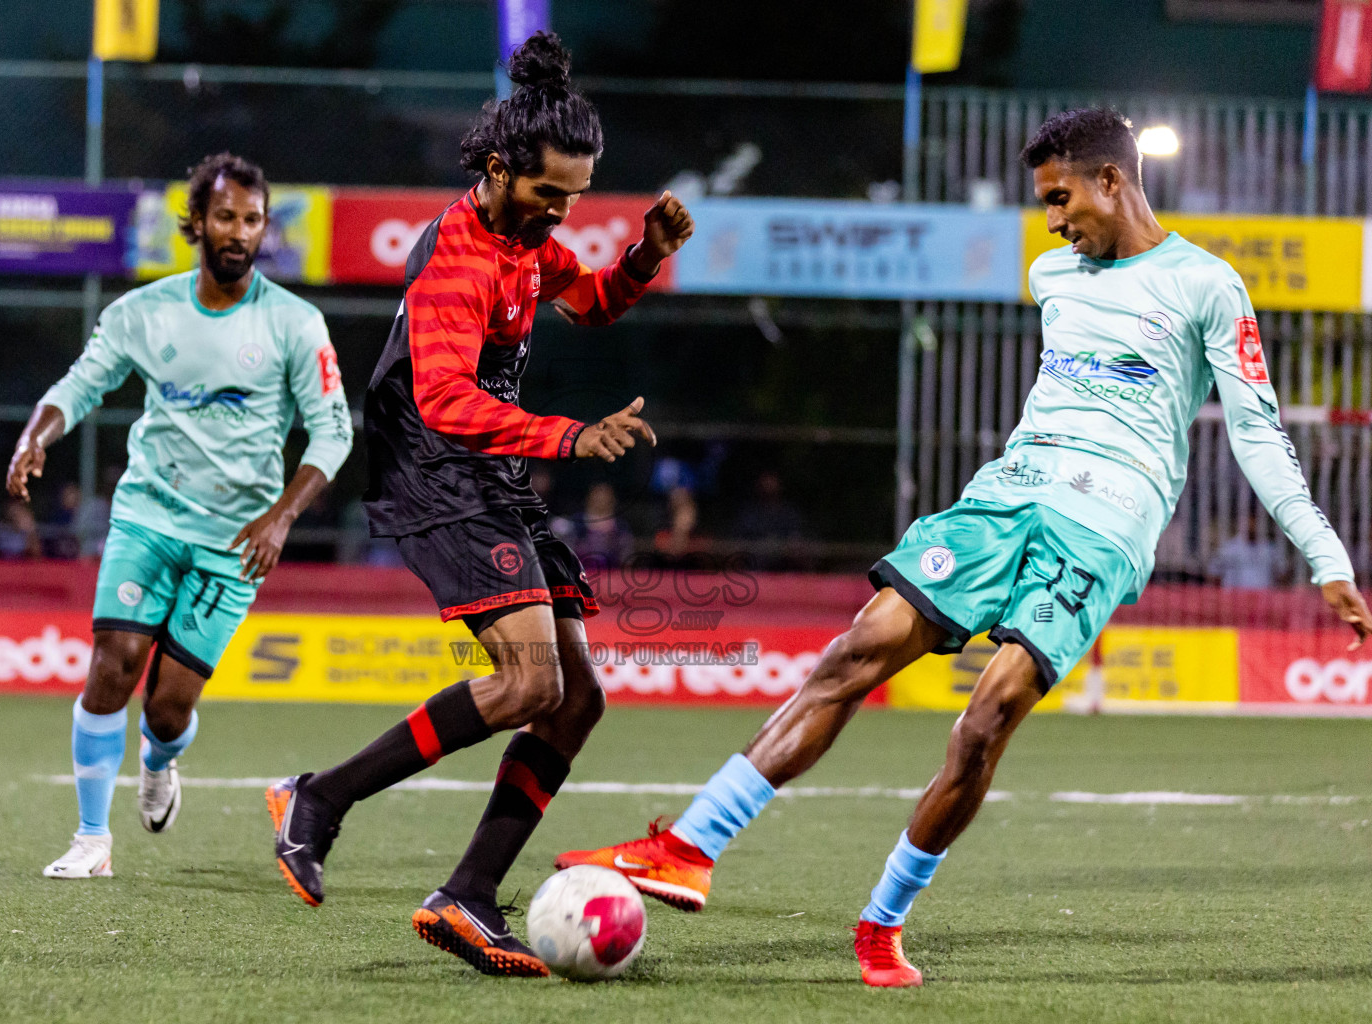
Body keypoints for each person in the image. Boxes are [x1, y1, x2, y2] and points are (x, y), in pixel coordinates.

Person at [556, 108, 1371, 987]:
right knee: (857, 649)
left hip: (1104, 529)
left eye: (1061, 199)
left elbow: (1257, 431)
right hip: (1005, 498)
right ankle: (689, 845)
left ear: (1113, 179)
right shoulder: (1053, 274)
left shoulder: (1207, 285)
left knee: (985, 720)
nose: (1054, 221)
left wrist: (1324, 556)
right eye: (1044, 205)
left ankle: (881, 922)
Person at [265, 31, 693, 979]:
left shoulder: (528, 238)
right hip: (433, 468)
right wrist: (570, 436)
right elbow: (447, 401)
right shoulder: (458, 256)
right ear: (500, 170)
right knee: (533, 684)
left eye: (576, 196)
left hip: (483, 469)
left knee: (577, 701)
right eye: (550, 193)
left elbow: (588, 304)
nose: (563, 210)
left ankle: (465, 895)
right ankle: (320, 801)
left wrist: (642, 256)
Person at [8, 153, 352, 881]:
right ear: (196, 223)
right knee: (113, 665)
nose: (238, 231)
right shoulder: (143, 312)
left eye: (252, 220)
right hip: (148, 517)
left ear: (265, 230)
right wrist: (34, 436)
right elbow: (82, 383)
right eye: (225, 217)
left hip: (236, 541)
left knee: (165, 710)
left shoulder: (296, 324)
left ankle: (161, 762)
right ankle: (91, 840)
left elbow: (333, 432)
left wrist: (282, 517)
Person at [554, 481, 634, 569]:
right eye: (597, 494)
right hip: (581, 575)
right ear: (589, 498)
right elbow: (564, 555)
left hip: (613, 577)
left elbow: (627, 557)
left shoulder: (620, 527)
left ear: (613, 499)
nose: (601, 499)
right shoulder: (575, 524)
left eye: (605, 495)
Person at [1207, 511, 1285, 589]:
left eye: (1254, 521)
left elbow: (1282, 574)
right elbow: (1214, 575)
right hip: (1234, 597)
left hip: (1264, 597)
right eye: (1248, 521)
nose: (1251, 525)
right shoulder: (1228, 548)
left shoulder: (1270, 549)